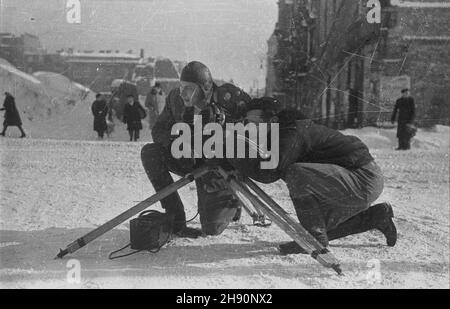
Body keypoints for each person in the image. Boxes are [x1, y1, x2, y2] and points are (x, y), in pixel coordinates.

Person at [229, 97, 397, 255]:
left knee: (296, 173)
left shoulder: (291, 133)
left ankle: (314, 238)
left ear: (272, 121)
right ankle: (376, 216)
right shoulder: (284, 130)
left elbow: (269, 171)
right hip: (359, 178)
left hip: (363, 178)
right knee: (319, 225)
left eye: (252, 123)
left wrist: (233, 155)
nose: (247, 128)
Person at [141, 61, 251, 238]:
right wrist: (176, 143)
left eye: (189, 89)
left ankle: (232, 199)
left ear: (205, 88)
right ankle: (175, 217)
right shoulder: (175, 98)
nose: (183, 93)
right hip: (189, 159)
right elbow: (159, 129)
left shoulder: (228, 98)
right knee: (150, 153)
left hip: (219, 170)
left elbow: (252, 133)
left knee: (211, 229)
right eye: (181, 86)